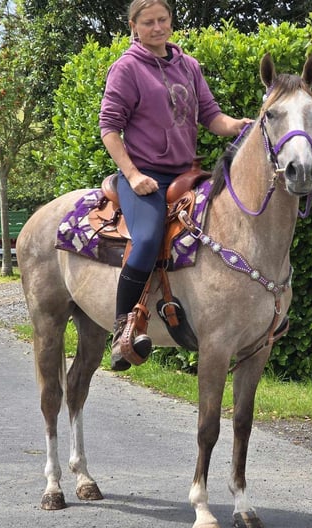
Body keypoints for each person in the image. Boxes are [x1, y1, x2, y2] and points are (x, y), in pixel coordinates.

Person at [99, 0, 252, 371]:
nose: (157, 27)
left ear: (171, 21)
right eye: (148, 22)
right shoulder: (126, 69)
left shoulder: (189, 66)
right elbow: (109, 129)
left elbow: (211, 116)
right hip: (145, 178)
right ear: (133, 27)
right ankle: (123, 330)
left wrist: (238, 126)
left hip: (187, 174)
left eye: (163, 20)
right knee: (149, 240)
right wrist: (133, 176)